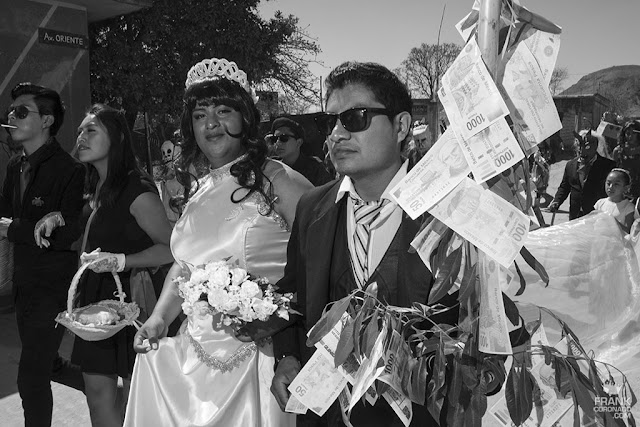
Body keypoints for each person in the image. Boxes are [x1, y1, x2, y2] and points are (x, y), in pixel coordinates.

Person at [269, 62, 526, 427]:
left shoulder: (451, 210)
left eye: (355, 117)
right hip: (327, 416)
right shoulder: (313, 207)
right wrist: (287, 357)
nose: (337, 134)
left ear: (401, 126)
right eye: (331, 123)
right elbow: (294, 296)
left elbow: (488, 314)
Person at [125, 57, 312, 427]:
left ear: (245, 117)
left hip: (259, 363)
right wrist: (160, 319)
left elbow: (320, 259)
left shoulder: (277, 181)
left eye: (224, 110)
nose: (211, 124)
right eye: (199, 115)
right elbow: (184, 266)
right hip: (194, 365)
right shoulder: (199, 188)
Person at [34, 104, 174, 426]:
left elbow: (172, 249)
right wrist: (59, 217)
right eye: (81, 131)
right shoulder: (95, 184)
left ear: (118, 137)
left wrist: (123, 260)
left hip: (131, 304)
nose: (81, 137)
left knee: (133, 393)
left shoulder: (137, 190)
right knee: (97, 392)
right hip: (95, 306)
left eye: (91, 130)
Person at [0, 83, 85, 426]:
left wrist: (13, 228)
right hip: (23, 285)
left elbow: (66, 235)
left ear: (47, 120)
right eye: (11, 111)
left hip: (52, 288)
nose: (11, 116)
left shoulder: (70, 170)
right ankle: (101, 383)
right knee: (47, 364)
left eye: (22, 111)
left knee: (30, 378)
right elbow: (5, 214)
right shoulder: (13, 167)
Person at [549, 129, 616, 220]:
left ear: (595, 147)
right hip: (575, 215)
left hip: (596, 215)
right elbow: (564, 187)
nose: (582, 150)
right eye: (579, 146)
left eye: (587, 147)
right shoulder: (570, 165)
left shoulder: (607, 166)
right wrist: (557, 201)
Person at [267, 116, 333, 186]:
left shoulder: (315, 169)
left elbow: (328, 194)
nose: (278, 143)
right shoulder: (271, 166)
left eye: (284, 138)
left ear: (299, 142)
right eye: (274, 139)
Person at [613, 120, 640, 199]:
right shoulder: (618, 151)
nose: (630, 136)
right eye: (628, 133)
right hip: (622, 190)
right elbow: (614, 171)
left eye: (633, 133)